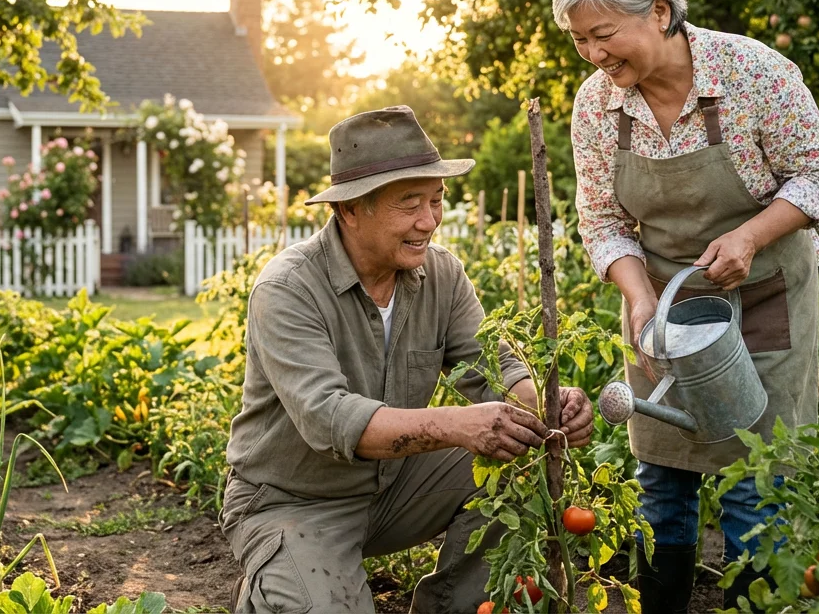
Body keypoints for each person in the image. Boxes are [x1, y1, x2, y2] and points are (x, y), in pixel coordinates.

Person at [551, 0, 819, 613]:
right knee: (663, 474)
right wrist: (636, 297)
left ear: (660, 11)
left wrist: (749, 234)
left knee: (756, 477)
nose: (594, 56)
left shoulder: (753, 74)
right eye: (579, 41)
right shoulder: (597, 105)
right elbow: (601, 220)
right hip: (664, 305)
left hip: (764, 293)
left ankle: (756, 603)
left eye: (604, 34)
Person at [220, 106, 595, 613]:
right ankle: (283, 574)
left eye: (437, 200)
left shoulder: (441, 275)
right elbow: (329, 417)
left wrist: (548, 408)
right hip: (294, 500)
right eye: (408, 204)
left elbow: (493, 371)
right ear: (350, 210)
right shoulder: (288, 289)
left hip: (394, 488)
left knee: (518, 456)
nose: (429, 220)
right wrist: (456, 424)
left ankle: (454, 606)